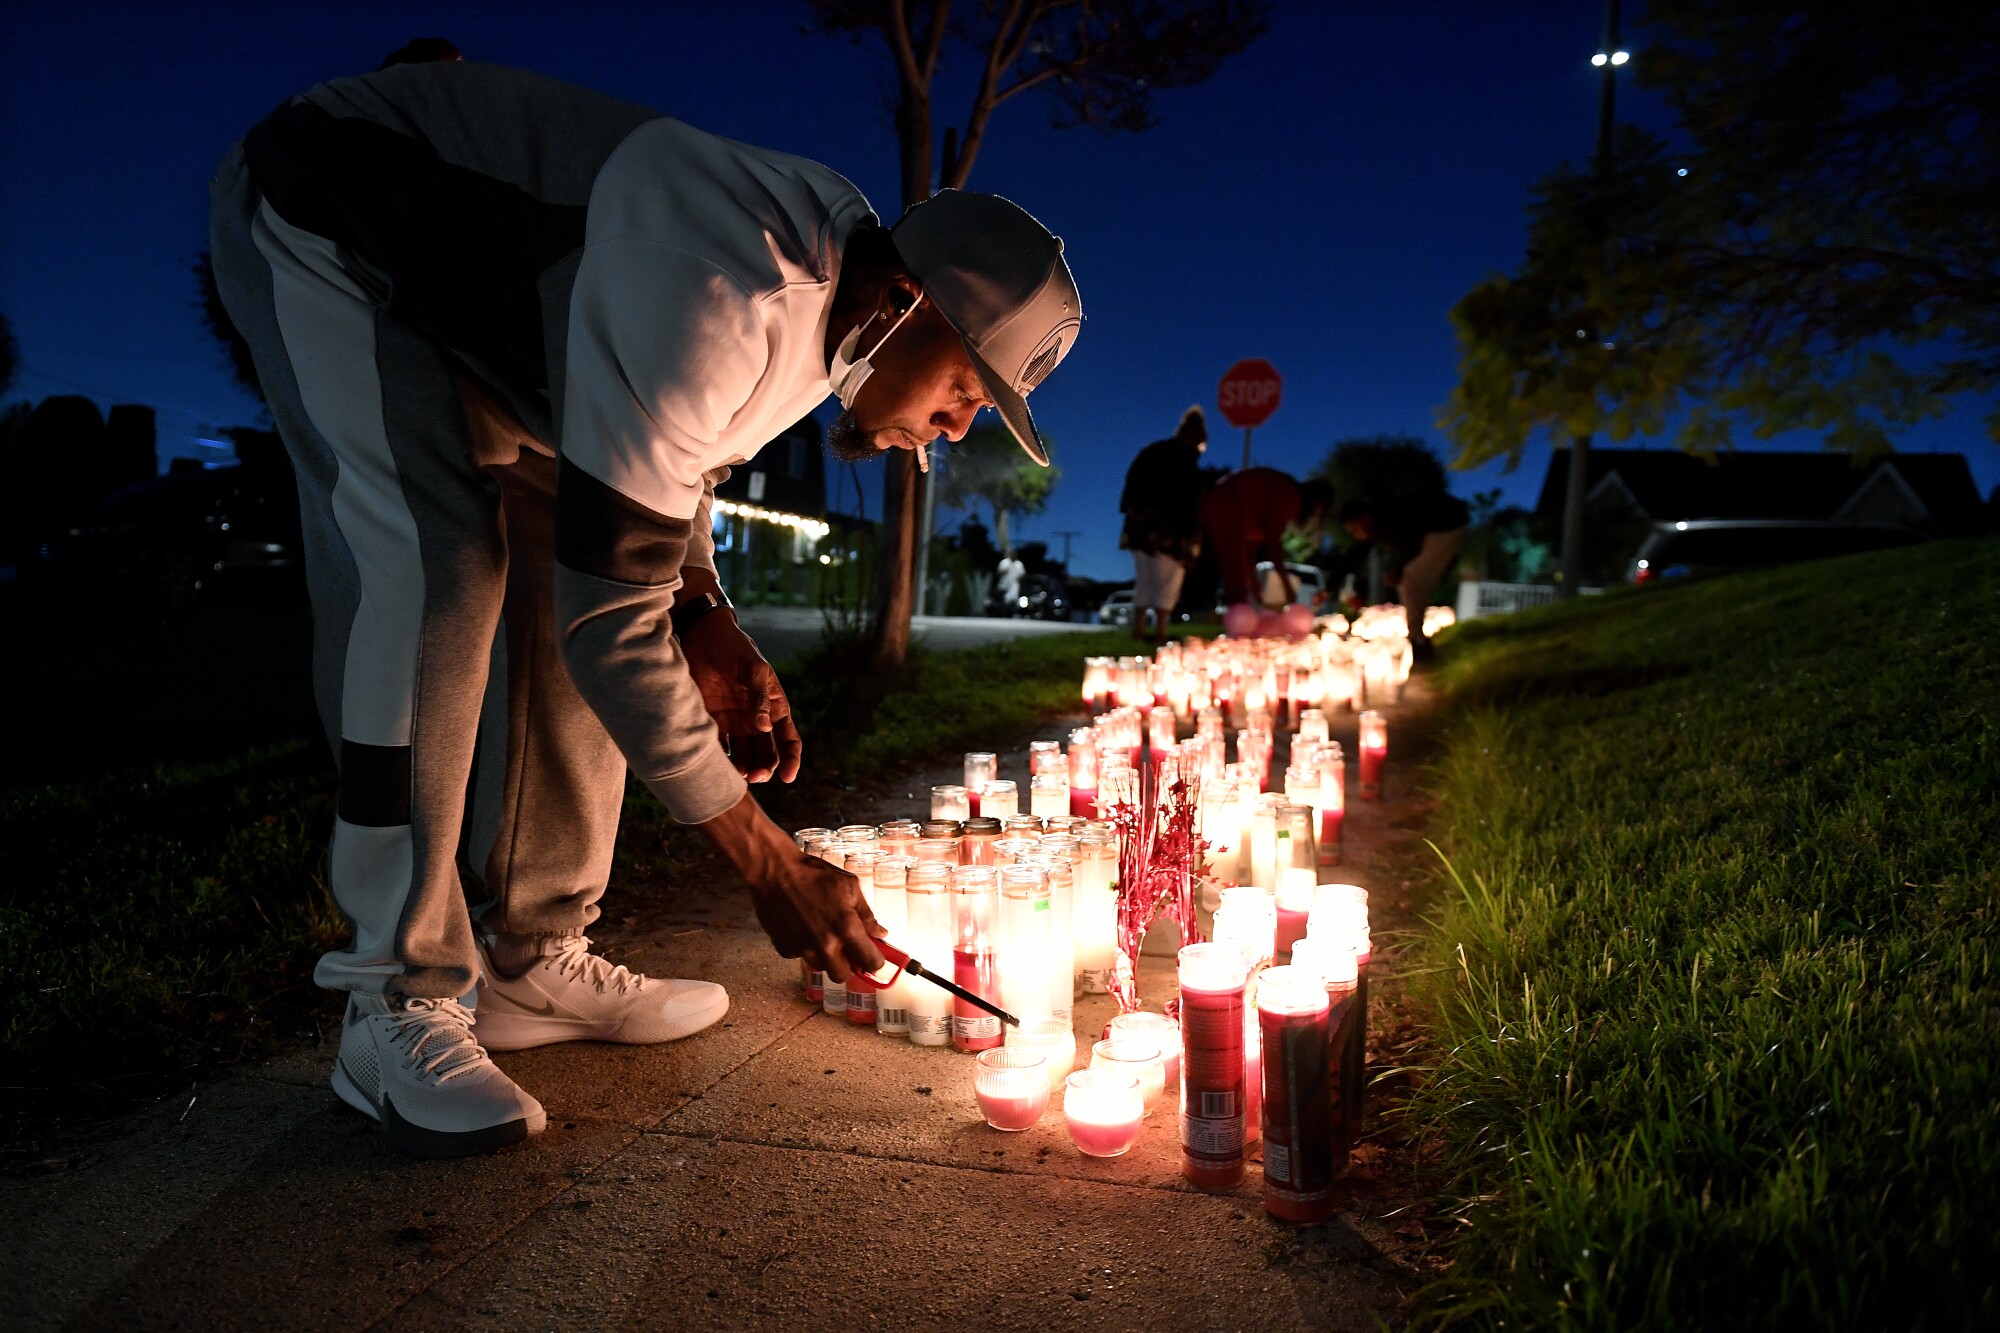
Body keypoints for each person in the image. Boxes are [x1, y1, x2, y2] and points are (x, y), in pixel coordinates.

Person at [208, 59, 1081, 1157]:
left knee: (613, 594)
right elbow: (609, 614)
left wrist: (706, 613)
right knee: (438, 565)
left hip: (512, 319)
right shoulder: (729, 286)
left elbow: (664, 477)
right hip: (334, 220)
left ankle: (530, 959)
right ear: (907, 303)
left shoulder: (829, 315)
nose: (956, 430)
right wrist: (768, 862)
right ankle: (391, 996)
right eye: (966, 389)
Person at [1336, 491, 1471, 657]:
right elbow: (1355, 554)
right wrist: (1330, 585)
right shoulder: (1379, 518)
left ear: (1363, 519)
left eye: (1354, 529)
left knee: (1411, 579)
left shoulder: (1387, 516)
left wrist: (1397, 570)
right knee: (1410, 580)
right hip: (1441, 525)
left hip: (1448, 524)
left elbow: (1411, 541)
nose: (1355, 534)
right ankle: (1417, 638)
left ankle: (1418, 643)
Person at [1117, 406, 1206, 643]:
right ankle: (1159, 631)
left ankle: (1139, 629)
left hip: (1140, 524)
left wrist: (1131, 511)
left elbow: (1131, 484)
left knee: (1145, 577)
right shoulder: (1185, 462)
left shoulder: (1153, 451)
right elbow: (1189, 502)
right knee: (1167, 579)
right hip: (1169, 530)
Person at [1197, 467, 1332, 612]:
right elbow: (1273, 544)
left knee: (1238, 575)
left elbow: (1252, 541)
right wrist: (1286, 586)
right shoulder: (1289, 495)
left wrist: (1253, 579)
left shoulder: (1284, 491)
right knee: (1235, 575)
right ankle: (1239, 624)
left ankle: (1240, 619)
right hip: (1224, 506)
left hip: (1220, 504)